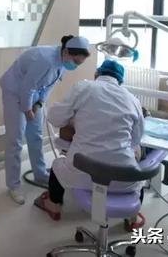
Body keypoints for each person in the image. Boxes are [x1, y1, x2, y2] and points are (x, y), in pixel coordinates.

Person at [33, 60, 145, 220]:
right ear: (121, 81)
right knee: (137, 181)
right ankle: (132, 218)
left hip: (83, 172)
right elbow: (136, 139)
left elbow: (54, 117)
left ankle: (53, 205)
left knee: (58, 165)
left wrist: (75, 120)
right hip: (123, 178)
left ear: (96, 74)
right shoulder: (132, 99)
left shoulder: (84, 87)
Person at [0, 35, 90, 205]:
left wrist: (39, 103)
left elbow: (49, 85)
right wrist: (27, 109)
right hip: (15, 92)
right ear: (67, 52)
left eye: (79, 63)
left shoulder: (63, 61)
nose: (75, 66)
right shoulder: (44, 59)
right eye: (76, 62)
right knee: (15, 140)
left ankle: (40, 174)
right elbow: (27, 87)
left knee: (36, 136)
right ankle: (13, 185)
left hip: (33, 94)